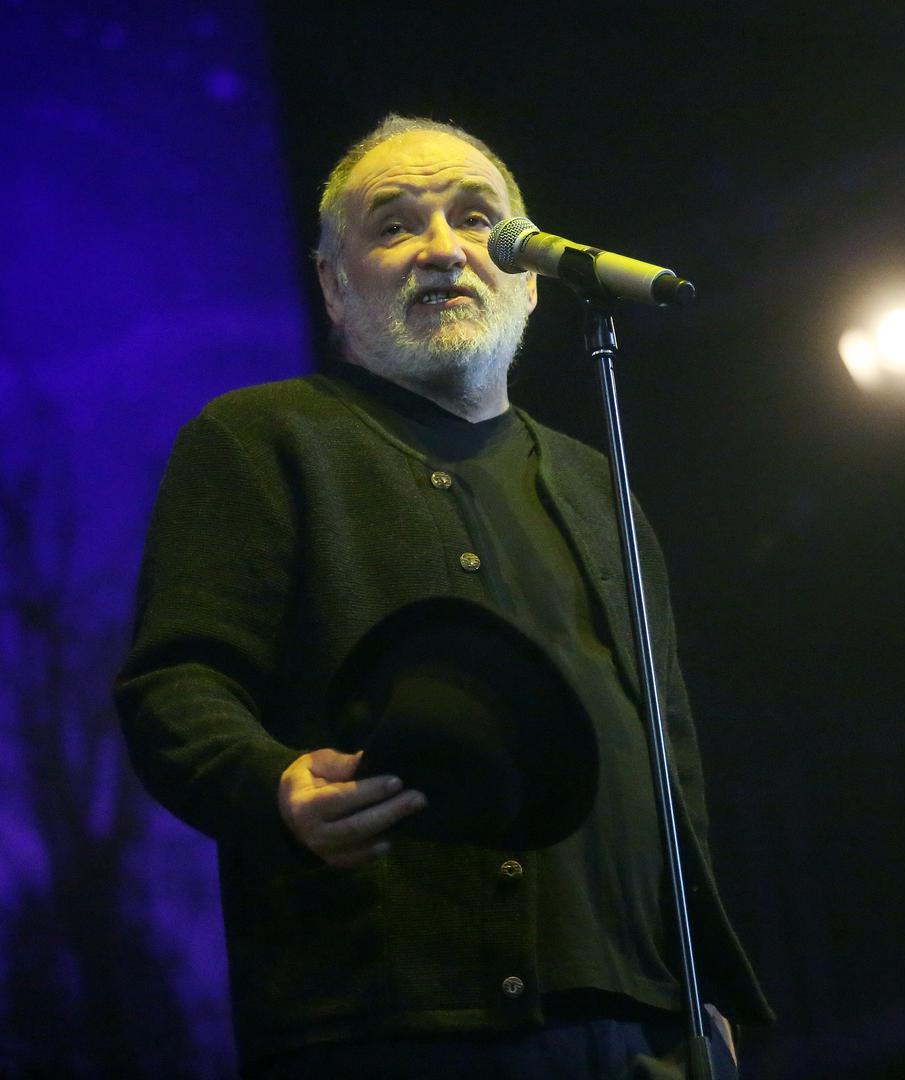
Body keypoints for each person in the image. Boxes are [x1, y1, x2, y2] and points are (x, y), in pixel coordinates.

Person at [115, 115, 771, 1078]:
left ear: (531, 276)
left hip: (649, 1025)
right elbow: (174, 682)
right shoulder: (264, 440)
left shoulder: (597, 484)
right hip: (400, 1026)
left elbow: (666, 746)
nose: (443, 249)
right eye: (394, 226)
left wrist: (700, 979)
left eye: (476, 218)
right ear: (333, 285)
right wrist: (273, 784)